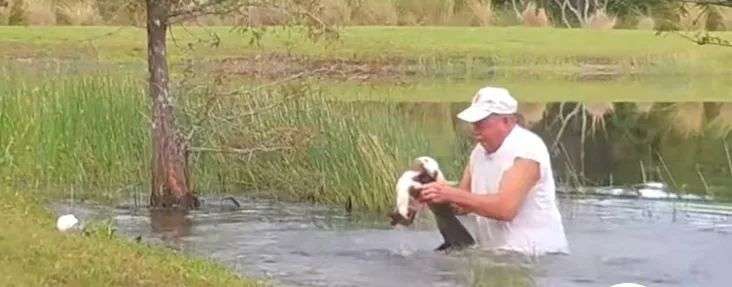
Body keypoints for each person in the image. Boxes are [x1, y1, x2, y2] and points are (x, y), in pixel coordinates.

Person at [418, 86, 569, 256]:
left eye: (481, 122)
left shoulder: (527, 150)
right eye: (473, 123)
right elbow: (462, 205)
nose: (475, 128)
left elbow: (505, 209)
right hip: (496, 255)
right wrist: (432, 194)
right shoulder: (479, 151)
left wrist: (450, 193)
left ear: (506, 121)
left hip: (536, 255)